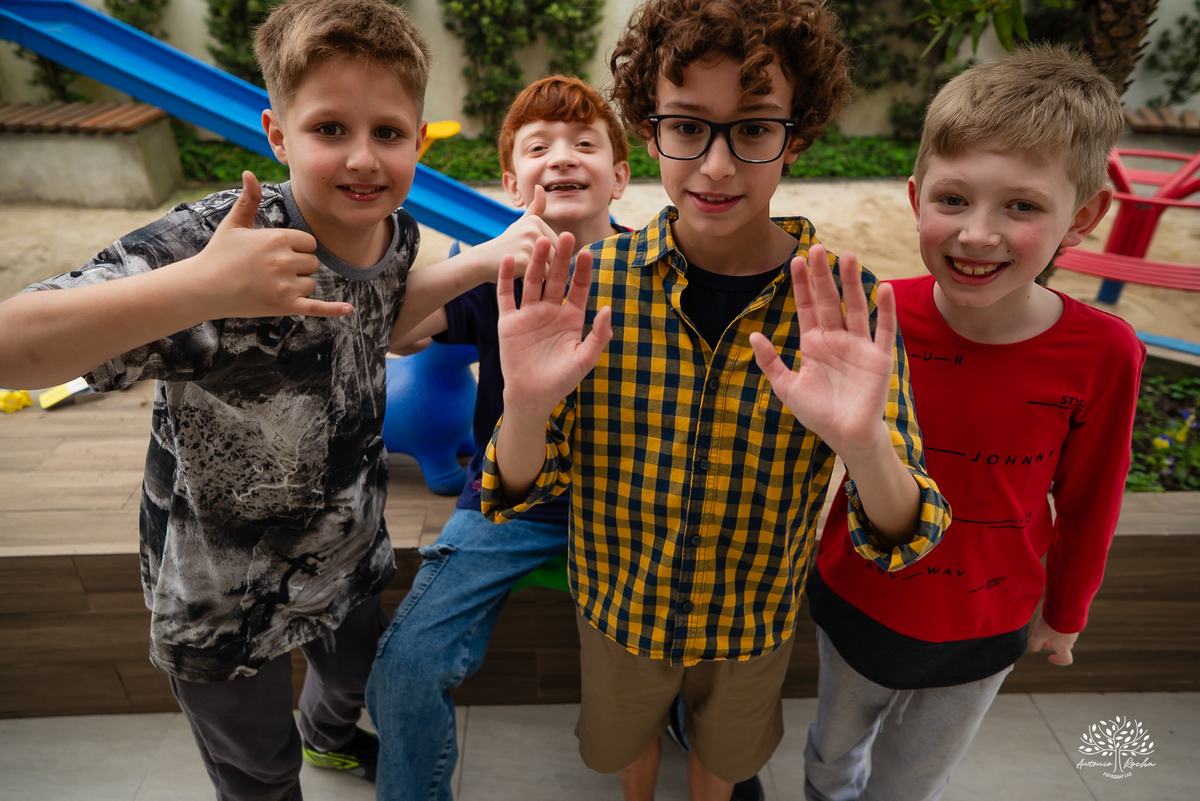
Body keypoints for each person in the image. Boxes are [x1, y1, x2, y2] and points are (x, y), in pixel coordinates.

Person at [0, 1, 553, 798]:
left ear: (419, 139)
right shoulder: (216, 240)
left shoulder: (396, 231)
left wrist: (479, 262)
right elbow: (14, 344)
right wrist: (203, 287)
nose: (363, 158)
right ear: (278, 133)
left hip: (345, 552)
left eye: (388, 132)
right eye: (330, 128)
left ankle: (330, 738)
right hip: (218, 592)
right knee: (259, 765)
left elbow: (374, 319)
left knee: (352, 682)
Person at [479, 1, 952, 799]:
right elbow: (517, 487)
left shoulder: (840, 305)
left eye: (754, 128)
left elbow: (907, 531)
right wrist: (524, 408)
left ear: (796, 136)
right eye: (689, 127)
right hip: (618, 608)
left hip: (751, 621)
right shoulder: (594, 286)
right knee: (626, 741)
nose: (719, 166)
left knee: (724, 761)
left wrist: (864, 444)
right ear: (649, 128)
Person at [803, 45, 1146, 801]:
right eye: (954, 199)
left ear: (1082, 217)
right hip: (858, 596)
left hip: (990, 619)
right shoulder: (872, 315)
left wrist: (1067, 612)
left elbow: (1091, 499)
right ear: (916, 196)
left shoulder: (1105, 352)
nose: (978, 234)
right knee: (831, 754)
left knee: (912, 779)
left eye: (1021, 206)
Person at [365, 74, 632, 801]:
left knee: (686, 657)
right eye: (538, 147)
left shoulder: (659, 271)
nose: (562, 157)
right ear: (513, 184)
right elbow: (388, 331)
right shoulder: (500, 273)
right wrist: (481, 261)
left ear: (620, 176)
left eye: (584, 143)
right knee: (403, 667)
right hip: (508, 499)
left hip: (633, 502)